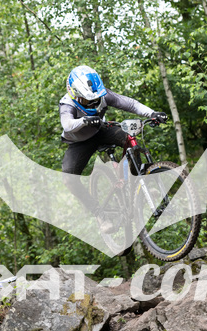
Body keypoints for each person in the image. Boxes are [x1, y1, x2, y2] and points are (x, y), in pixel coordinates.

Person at [59, 65, 167, 231]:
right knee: (68, 179)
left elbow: (130, 104)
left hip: (101, 130)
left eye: (95, 99)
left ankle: (140, 183)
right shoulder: (67, 103)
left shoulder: (103, 94)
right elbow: (67, 124)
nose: (92, 103)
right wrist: (84, 120)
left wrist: (152, 113)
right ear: (75, 94)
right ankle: (100, 214)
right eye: (87, 101)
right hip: (79, 141)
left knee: (130, 138)